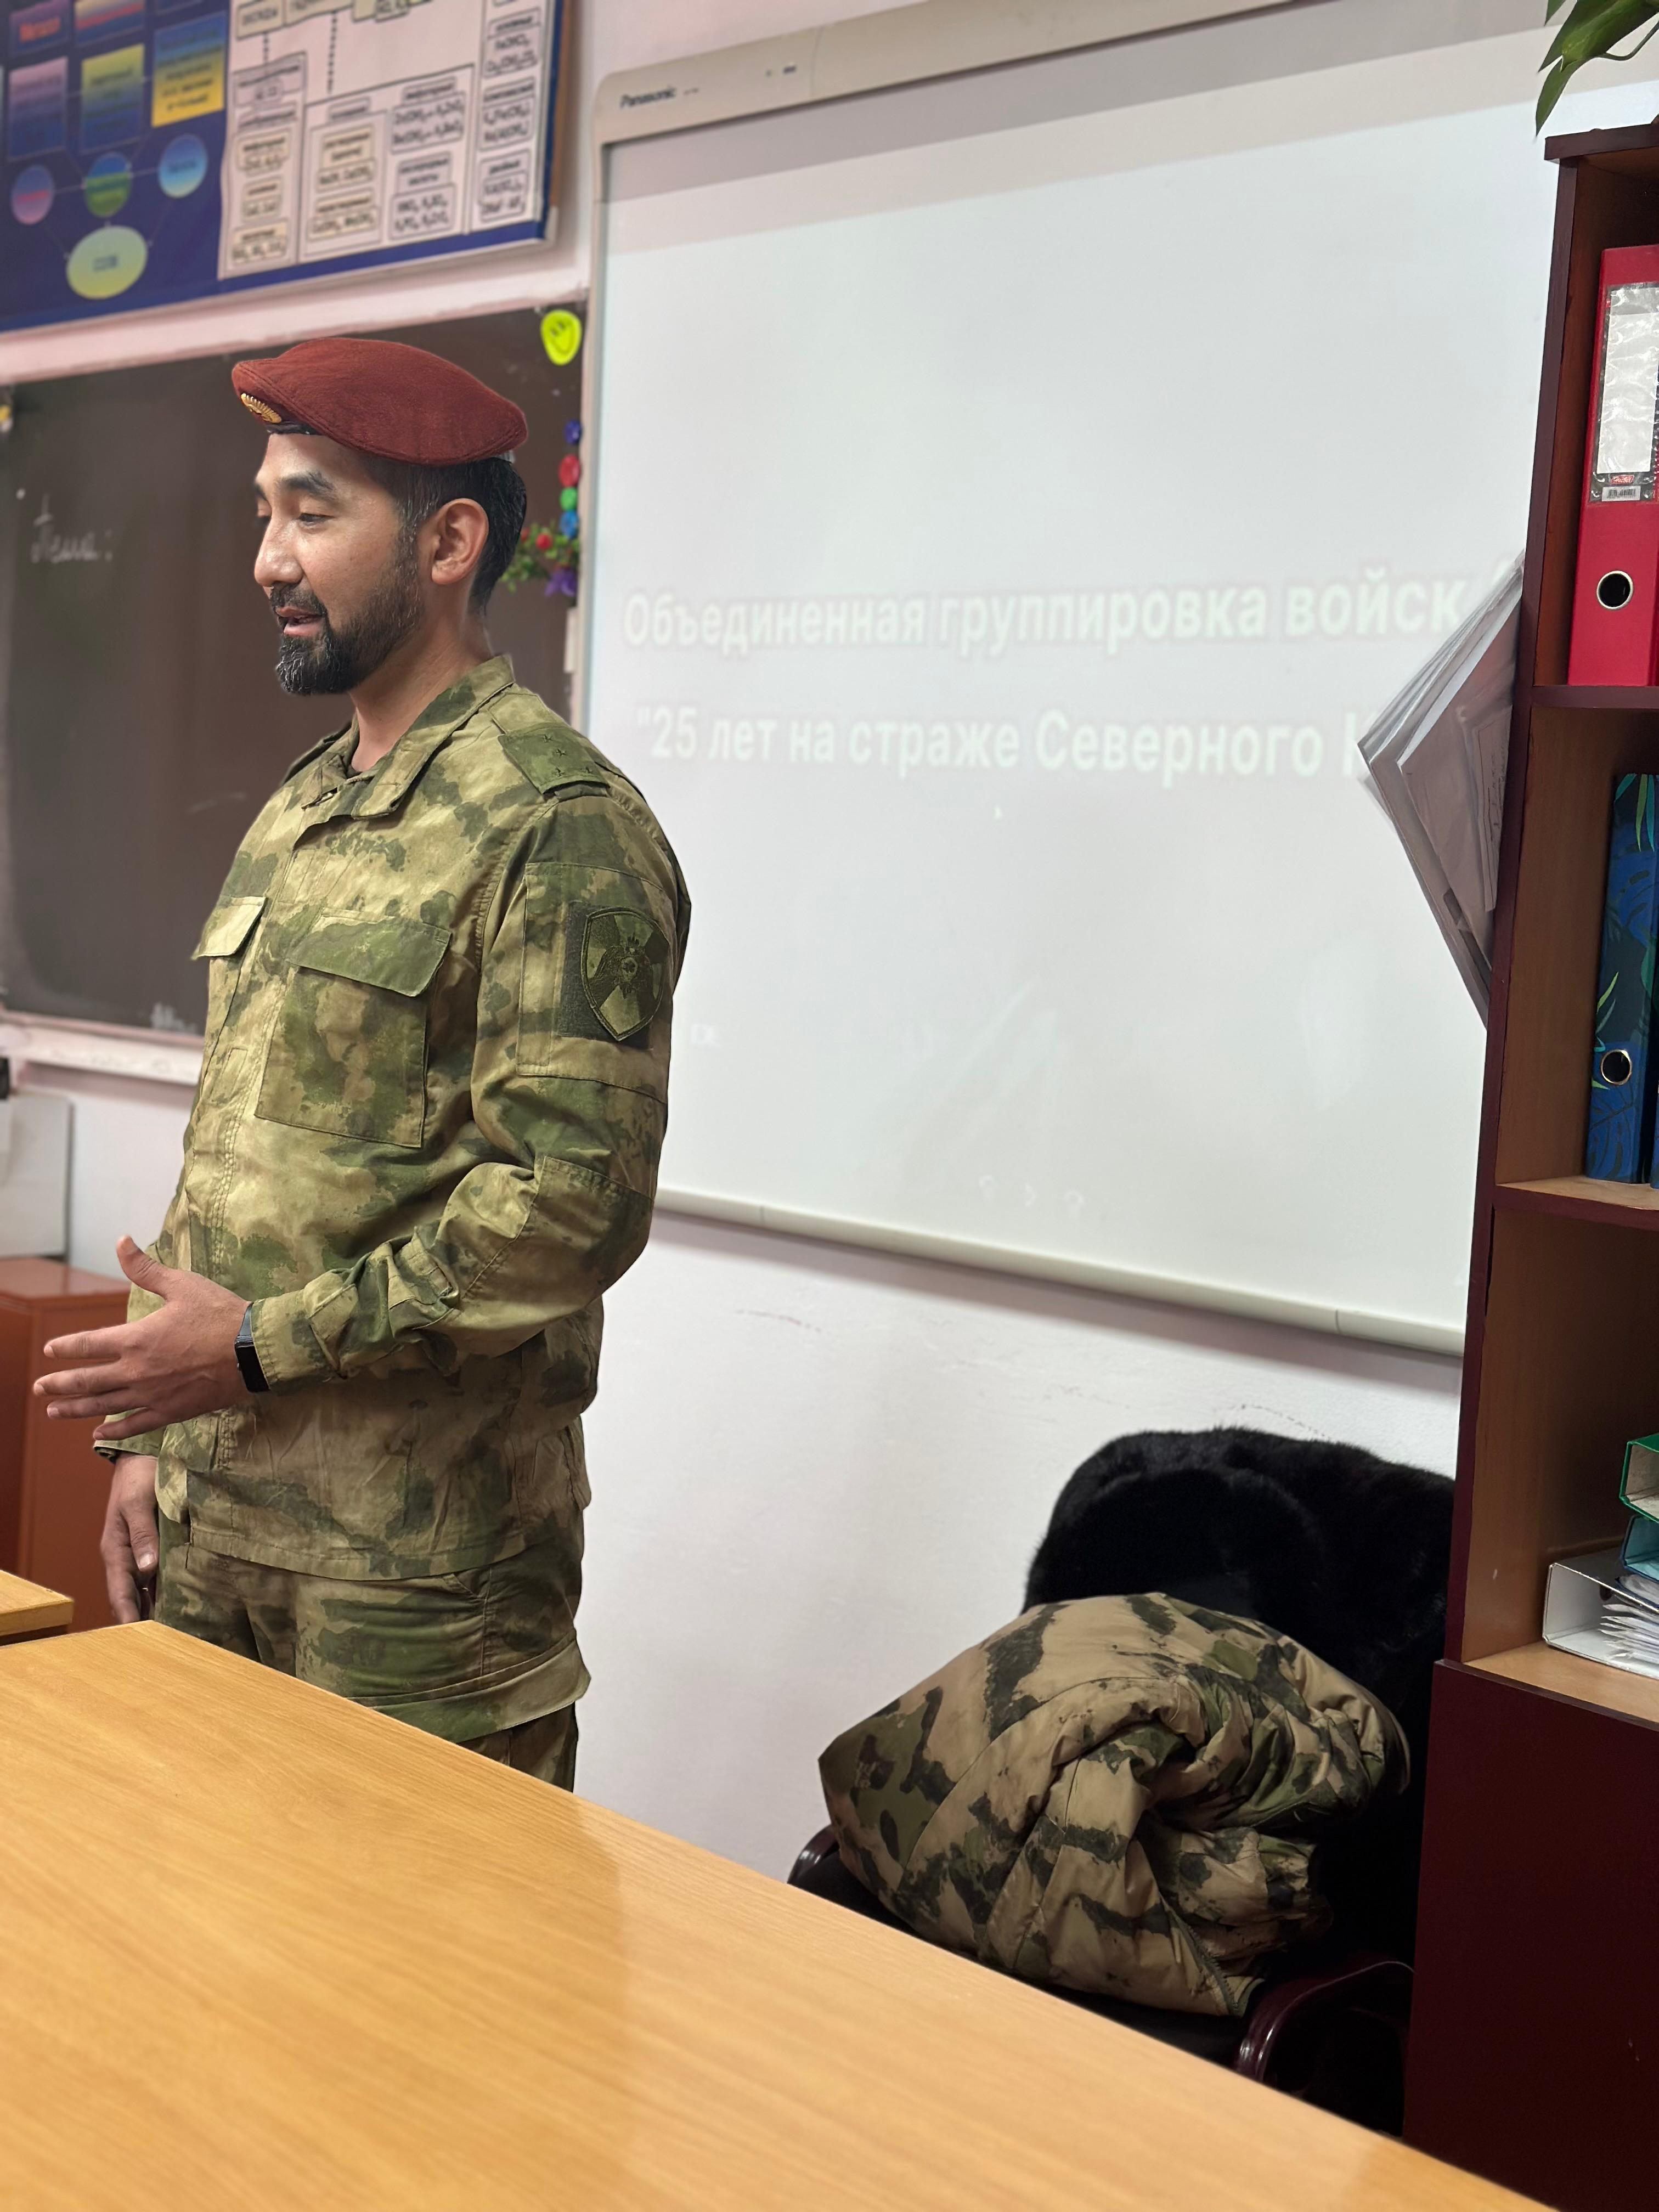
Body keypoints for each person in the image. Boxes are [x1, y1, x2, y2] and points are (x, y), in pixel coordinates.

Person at [32, 336, 689, 1787]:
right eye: (264, 513)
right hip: (218, 1529)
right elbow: (237, 1151)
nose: (267, 557)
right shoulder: (303, 805)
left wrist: (252, 1349)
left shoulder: (559, 824)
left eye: (312, 513)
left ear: (447, 544)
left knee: (416, 1934)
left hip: (414, 1587)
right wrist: (148, 1439)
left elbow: (568, 1211)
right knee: (187, 1913)